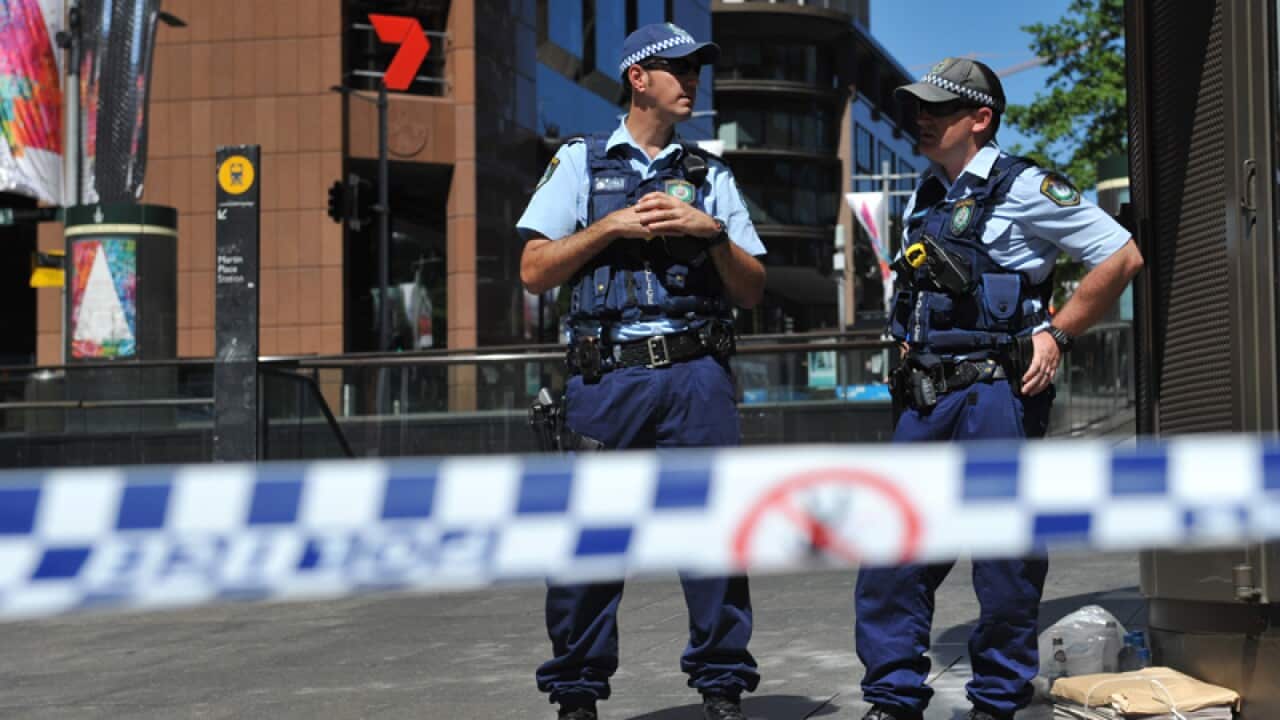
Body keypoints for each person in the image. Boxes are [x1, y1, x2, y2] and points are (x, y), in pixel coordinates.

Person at [855, 58, 1144, 720]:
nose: (920, 120)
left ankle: (997, 700)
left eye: (936, 110)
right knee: (893, 549)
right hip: (926, 397)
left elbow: (1121, 255)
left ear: (980, 118)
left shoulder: (1024, 187)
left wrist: (1058, 333)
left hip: (995, 394)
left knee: (1004, 559)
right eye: (917, 109)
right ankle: (893, 699)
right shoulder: (927, 195)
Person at [515, 22, 767, 720]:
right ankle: (576, 693)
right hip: (609, 377)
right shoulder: (578, 165)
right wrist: (609, 229)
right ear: (638, 78)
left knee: (712, 534)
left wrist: (709, 233)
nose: (692, 81)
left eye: (697, 69)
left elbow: (751, 289)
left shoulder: (712, 176)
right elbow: (533, 271)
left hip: (697, 375)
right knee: (589, 540)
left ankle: (721, 686)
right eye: (677, 69)